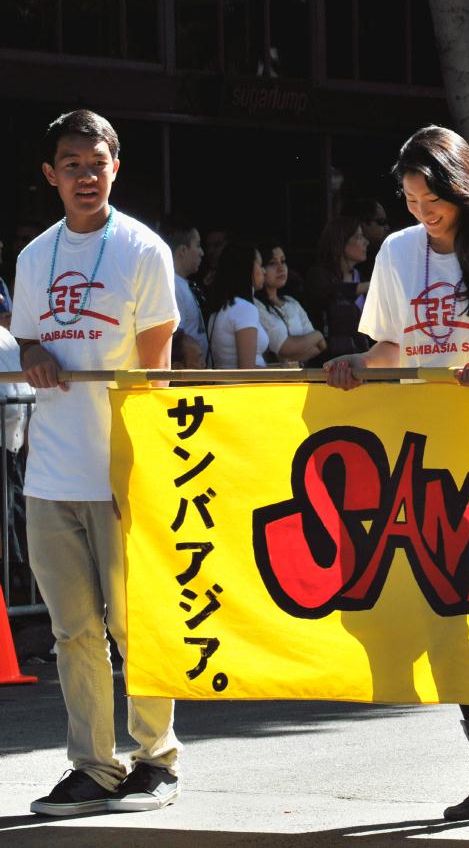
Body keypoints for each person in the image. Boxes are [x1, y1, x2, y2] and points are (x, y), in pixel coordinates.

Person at [325, 125, 469, 821]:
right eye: (409, 200)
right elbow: (392, 348)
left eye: (431, 199)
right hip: (421, 454)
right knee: (448, 610)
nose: (420, 213)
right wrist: (352, 365)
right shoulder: (397, 253)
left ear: (461, 186)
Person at [13, 109, 182, 816]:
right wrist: (33, 354)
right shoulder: (31, 256)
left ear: (117, 167)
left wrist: (138, 470)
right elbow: (24, 343)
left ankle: (157, 758)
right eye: (71, 163)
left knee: (133, 622)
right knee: (72, 629)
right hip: (50, 473)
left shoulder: (143, 251)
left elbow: (158, 376)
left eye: (97, 162)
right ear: (51, 175)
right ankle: (93, 766)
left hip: (121, 471)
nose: (85, 175)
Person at [305, 215, 371, 359]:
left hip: (361, 358)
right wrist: (364, 287)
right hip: (329, 360)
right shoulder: (318, 275)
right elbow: (329, 291)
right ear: (341, 242)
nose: (366, 242)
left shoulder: (362, 275)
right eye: (359, 237)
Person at [254, 239, 326, 365]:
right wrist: (318, 335)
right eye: (272, 263)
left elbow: (320, 347)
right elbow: (285, 348)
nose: (281, 268)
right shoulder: (256, 305)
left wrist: (291, 358)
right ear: (260, 268)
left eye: (283, 261)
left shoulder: (292, 302)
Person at [206, 239, 269, 369]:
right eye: (260, 265)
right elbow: (247, 371)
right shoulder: (244, 309)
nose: (264, 271)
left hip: (225, 387)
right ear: (247, 267)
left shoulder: (223, 306)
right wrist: (282, 374)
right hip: (244, 388)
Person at [160, 217, 208, 366]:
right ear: (182, 250)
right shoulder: (171, 285)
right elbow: (175, 339)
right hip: (187, 378)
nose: (202, 253)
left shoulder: (181, 284)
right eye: (198, 245)